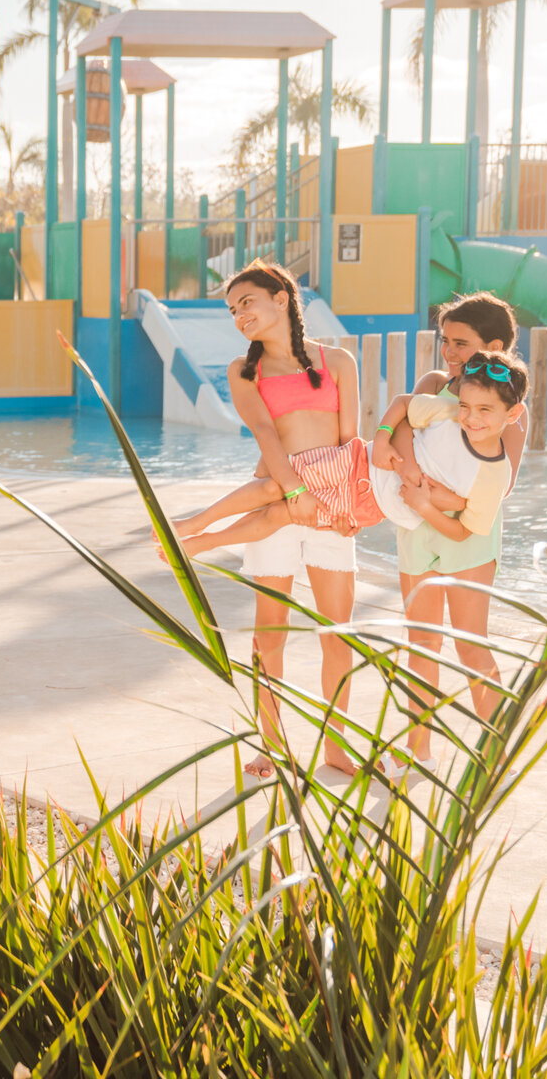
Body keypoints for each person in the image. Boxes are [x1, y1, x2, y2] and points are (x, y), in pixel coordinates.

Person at [168, 261, 365, 779]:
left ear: (282, 297)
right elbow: (265, 434)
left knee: (336, 633)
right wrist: (295, 489)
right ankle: (271, 745)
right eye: (233, 310)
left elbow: (350, 444)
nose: (239, 315)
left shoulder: (339, 361)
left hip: (329, 507)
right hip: (282, 497)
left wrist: (346, 509)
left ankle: (336, 746)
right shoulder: (244, 370)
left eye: (247, 302)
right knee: (269, 634)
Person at [379, 293, 529, 764]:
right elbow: (404, 422)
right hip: (417, 528)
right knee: (421, 640)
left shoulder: (504, 417)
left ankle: (495, 749)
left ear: (495, 345)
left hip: (470, 537)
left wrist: (435, 497)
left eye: (461, 343)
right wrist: (406, 471)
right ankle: (417, 747)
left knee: (470, 644)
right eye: (445, 340)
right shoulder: (436, 385)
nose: (449, 352)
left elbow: (494, 492)